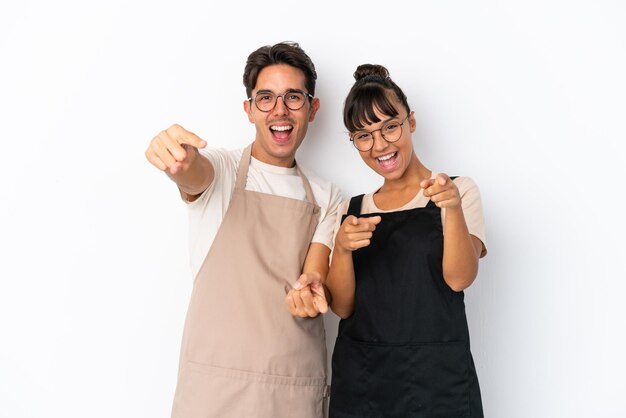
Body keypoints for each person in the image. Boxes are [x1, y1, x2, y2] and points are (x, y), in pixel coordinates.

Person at [145, 42, 342, 418]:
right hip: (213, 395)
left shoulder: (328, 196)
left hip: (292, 391)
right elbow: (192, 173)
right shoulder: (219, 171)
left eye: (293, 97)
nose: (279, 111)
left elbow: (317, 271)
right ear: (249, 110)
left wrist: (312, 287)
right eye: (265, 98)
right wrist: (176, 157)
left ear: (313, 109)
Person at [325, 64, 487, 418]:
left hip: (437, 382)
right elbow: (342, 307)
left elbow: (459, 278)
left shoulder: (458, 191)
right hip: (363, 381)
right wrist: (340, 247)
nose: (380, 145)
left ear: (410, 122)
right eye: (363, 135)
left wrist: (453, 209)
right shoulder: (350, 211)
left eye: (390, 127)